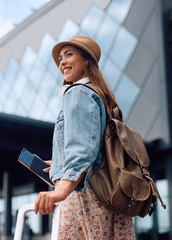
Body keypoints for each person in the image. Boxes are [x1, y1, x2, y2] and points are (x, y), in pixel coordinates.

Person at [34, 36, 136, 239]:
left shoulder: (78, 93)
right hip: (107, 195)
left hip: (84, 196)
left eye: (69, 55)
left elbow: (81, 150)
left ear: (87, 60)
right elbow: (95, 148)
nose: (62, 62)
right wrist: (59, 164)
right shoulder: (100, 96)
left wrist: (61, 191)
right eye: (60, 58)